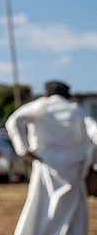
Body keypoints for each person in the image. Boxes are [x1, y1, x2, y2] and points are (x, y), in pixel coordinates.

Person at [6, 80, 97, 235]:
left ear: (46, 94)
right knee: (73, 214)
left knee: (40, 208)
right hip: (74, 170)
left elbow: (13, 121)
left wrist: (24, 151)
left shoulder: (41, 106)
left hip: (45, 166)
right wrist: (91, 161)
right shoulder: (77, 110)